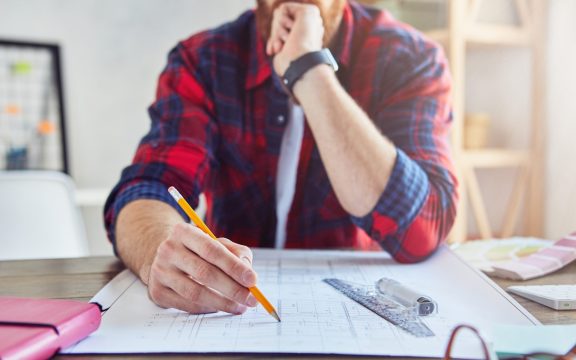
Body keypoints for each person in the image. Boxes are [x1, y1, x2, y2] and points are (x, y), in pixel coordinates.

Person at [104, 0, 457, 316]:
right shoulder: (203, 59)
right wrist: (159, 255)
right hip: (228, 314)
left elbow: (421, 228)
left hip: (356, 307)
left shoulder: (409, 58)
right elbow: (149, 187)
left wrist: (307, 68)